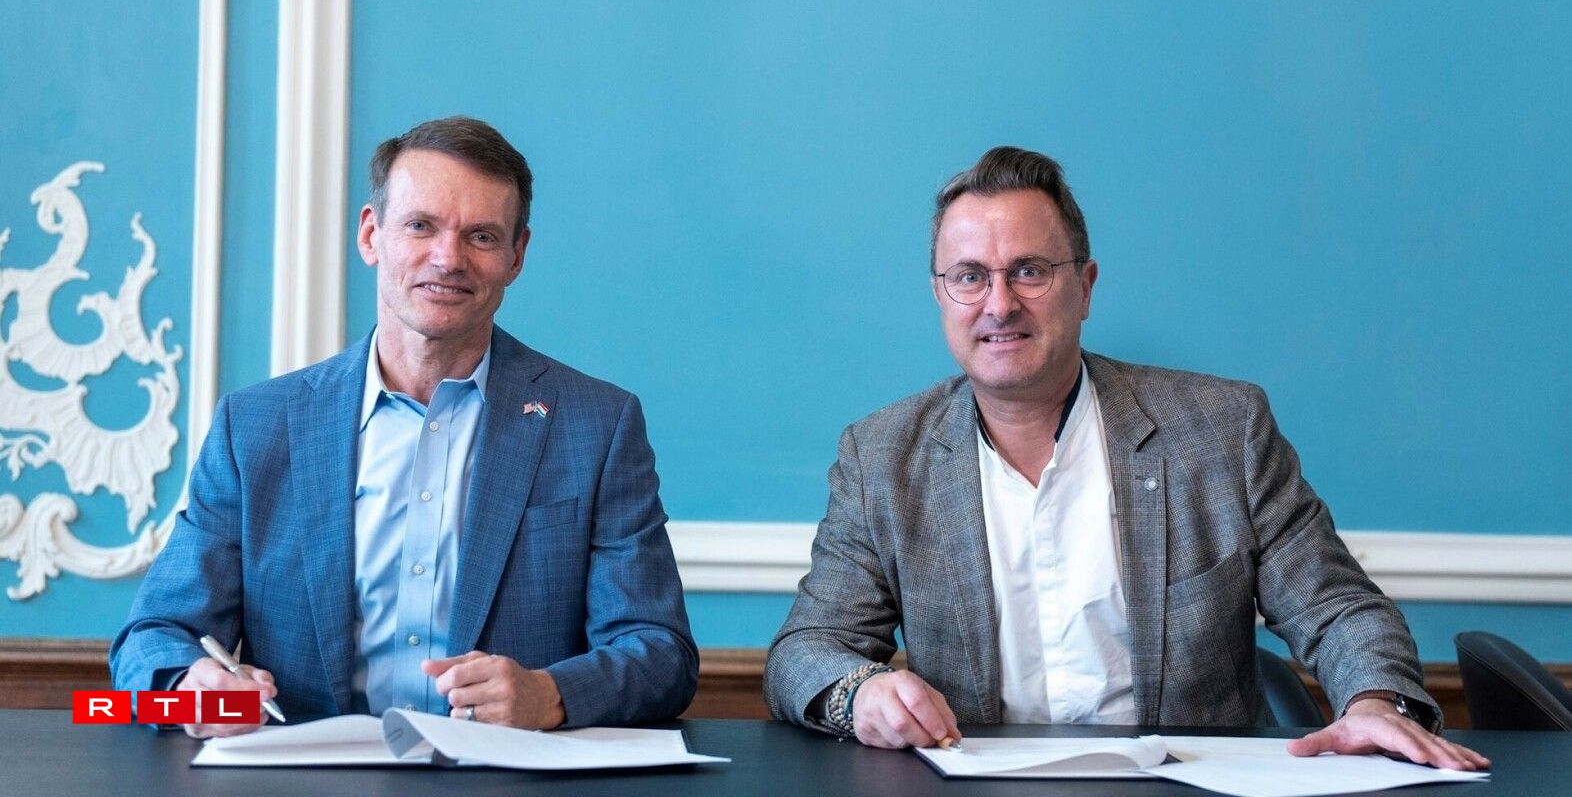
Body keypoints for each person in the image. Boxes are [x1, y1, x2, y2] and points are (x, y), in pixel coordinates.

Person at [764, 147, 1486, 771]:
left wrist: (1377, 702)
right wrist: (860, 693)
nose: (999, 304)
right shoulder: (882, 457)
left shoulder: (1222, 430)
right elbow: (806, 649)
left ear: (1085, 287)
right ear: (940, 295)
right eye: (970, 276)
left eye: (1029, 271)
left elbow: (1337, 608)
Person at [111, 116, 697, 737]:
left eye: (481, 236)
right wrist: (190, 690)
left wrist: (548, 695)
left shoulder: (597, 427)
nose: (448, 259)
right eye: (421, 226)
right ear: (371, 235)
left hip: (504, 777)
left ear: (517, 256)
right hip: (305, 778)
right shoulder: (254, 428)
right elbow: (150, 641)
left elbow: (661, 655)